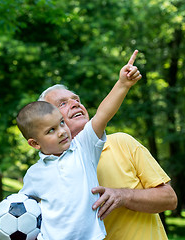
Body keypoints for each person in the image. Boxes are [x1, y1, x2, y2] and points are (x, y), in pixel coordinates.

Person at [38, 54, 177, 239]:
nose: (75, 104)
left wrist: (122, 196)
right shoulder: (46, 172)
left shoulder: (122, 142)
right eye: (63, 103)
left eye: (76, 99)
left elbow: (169, 199)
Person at [15, 51, 141, 240]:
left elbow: (102, 114)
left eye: (62, 124)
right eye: (51, 130)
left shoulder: (83, 149)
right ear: (34, 143)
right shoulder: (34, 174)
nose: (62, 132)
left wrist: (122, 84)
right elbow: (20, 210)